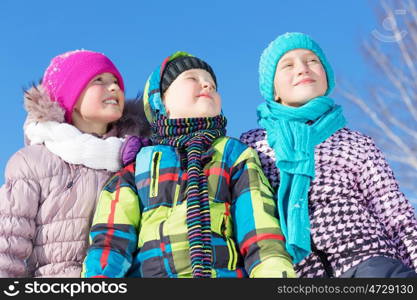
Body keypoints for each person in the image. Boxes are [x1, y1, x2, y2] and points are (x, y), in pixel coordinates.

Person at [82, 51, 296, 278]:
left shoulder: (233, 155)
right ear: (160, 102)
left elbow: (260, 231)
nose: (206, 85)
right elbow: (111, 240)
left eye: (212, 84)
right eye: (192, 79)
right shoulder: (138, 168)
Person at [240, 32, 417, 278]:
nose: (302, 69)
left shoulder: (355, 143)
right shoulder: (252, 145)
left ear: (326, 77)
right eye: (288, 65)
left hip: (369, 261)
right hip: (298, 272)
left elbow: (396, 215)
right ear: (273, 90)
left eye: (312, 61)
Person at [0, 49, 149, 277]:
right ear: (70, 95)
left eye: (116, 82)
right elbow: (8, 243)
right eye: (99, 80)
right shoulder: (35, 162)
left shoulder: (137, 159)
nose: (113, 88)